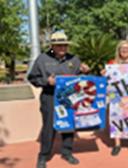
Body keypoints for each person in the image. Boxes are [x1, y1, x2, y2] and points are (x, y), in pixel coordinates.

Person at [28, 32, 89, 168]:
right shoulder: (42, 59)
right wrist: (46, 81)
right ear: (52, 45)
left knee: (69, 126)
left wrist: (84, 71)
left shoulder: (74, 59)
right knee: (49, 128)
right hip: (50, 96)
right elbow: (32, 78)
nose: (63, 47)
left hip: (70, 97)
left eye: (65, 45)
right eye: (59, 45)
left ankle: (67, 152)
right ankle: (43, 156)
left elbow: (81, 78)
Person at [101, 41, 128, 156]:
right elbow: (108, 80)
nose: (125, 50)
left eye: (127, 48)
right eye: (122, 48)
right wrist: (104, 74)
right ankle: (117, 144)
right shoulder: (112, 64)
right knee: (116, 119)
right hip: (116, 96)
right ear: (118, 50)